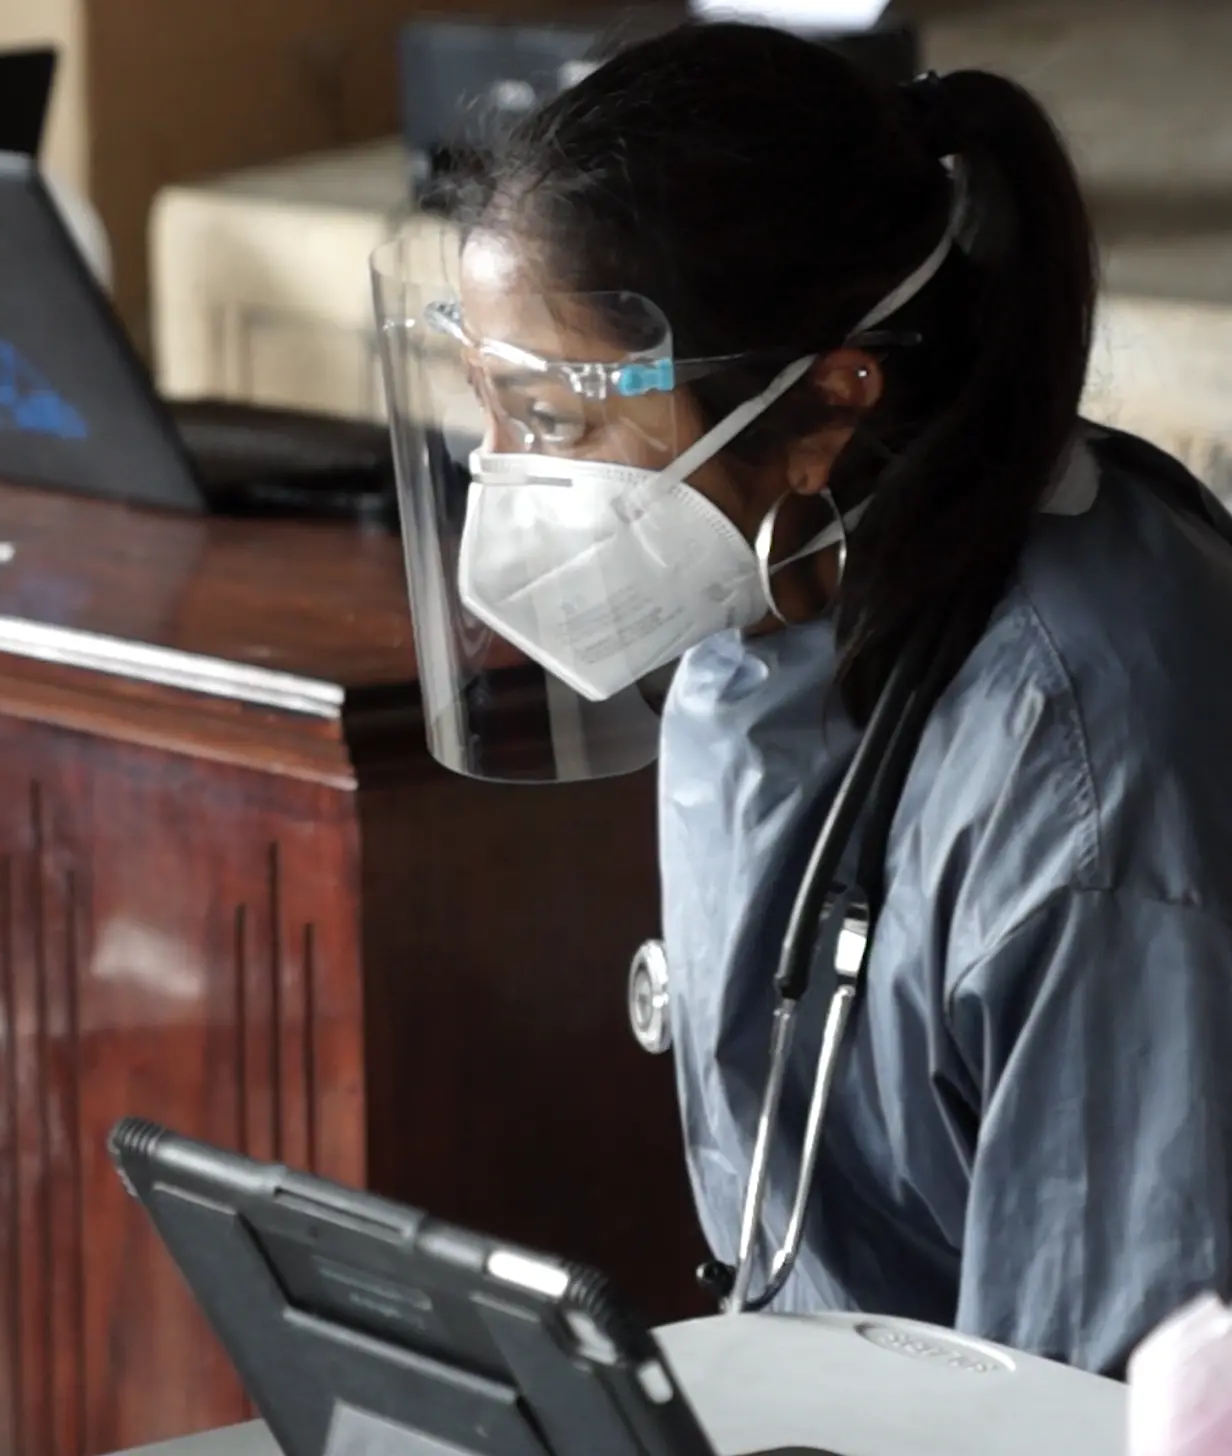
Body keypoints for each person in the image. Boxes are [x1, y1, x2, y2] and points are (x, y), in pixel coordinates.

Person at [393, 23, 1232, 1375]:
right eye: (486, 407)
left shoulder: (1089, 768)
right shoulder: (781, 593)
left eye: (552, 420)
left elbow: (1102, 1400)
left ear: (831, 402)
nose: (501, 479)